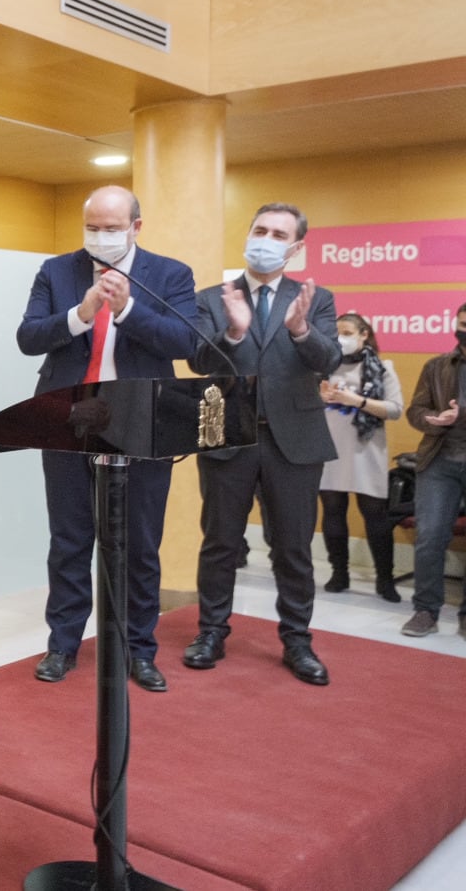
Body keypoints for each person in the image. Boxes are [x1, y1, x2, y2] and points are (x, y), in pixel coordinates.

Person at [17, 185, 198, 692]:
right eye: (92, 227)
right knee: (70, 538)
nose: (100, 237)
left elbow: (185, 341)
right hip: (67, 416)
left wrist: (127, 311)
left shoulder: (171, 274)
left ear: (136, 227)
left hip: (143, 423)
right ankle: (63, 645)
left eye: (111, 228)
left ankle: (140, 649)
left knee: (139, 543)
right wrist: (82, 312)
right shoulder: (57, 271)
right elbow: (28, 338)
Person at [184, 202, 341, 685]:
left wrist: (300, 329)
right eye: (259, 230)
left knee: (292, 546)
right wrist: (233, 332)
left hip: (294, 438)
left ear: (295, 247)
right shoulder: (213, 297)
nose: (266, 240)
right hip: (225, 433)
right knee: (220, 542)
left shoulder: (316, 299)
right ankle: (211, 631)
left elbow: (329, 360)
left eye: (278, 234)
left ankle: (297, 640)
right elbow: (196, 361)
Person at [318, 312, 404, 601]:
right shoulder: (324, 367)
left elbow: (395, 409)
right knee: (332, 510)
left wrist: (358, 401)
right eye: (337, 332)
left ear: (364, 334)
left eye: (347, 332)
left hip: (367, 449)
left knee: (375, 514)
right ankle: (338, 573)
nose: (341, 338)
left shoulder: (382, 367)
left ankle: (385, 579)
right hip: (330, 448)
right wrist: (320, 397)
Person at [399, 302, 466, 639]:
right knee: (430, 538)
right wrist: (432, 420)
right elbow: (415, 411)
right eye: (462, 323)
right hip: (438, 460)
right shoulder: (437, 366)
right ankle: (425, 610)